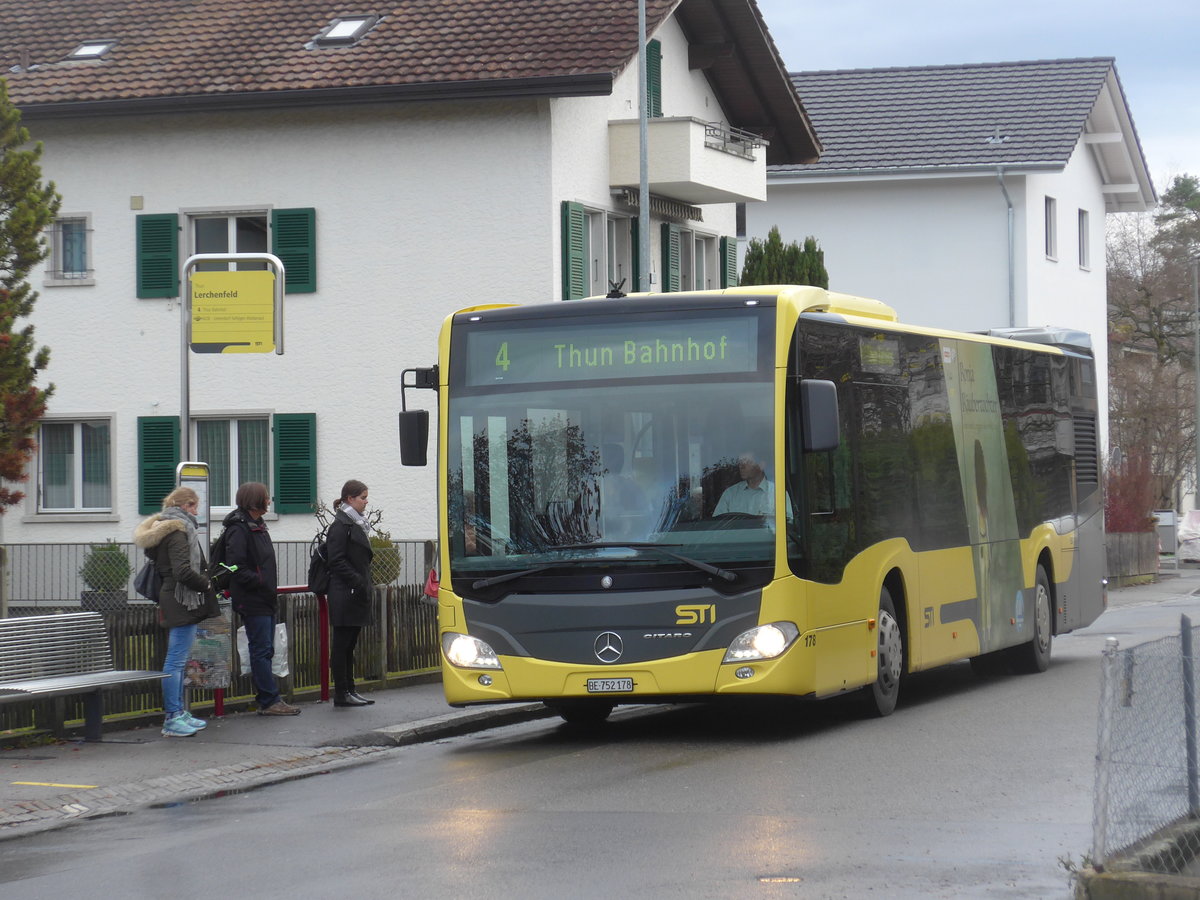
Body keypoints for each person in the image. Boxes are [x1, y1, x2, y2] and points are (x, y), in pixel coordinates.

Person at [133, 486, 220, 738]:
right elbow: (182, 571)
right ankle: (172, 717)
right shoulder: (178, 531)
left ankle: (179, 713)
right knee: (176, 661)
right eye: (194, 506)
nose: (197, 511)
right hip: (181, 599)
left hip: (174, 597)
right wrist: (205, 583)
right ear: (185, 506)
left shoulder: (164, 528)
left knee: (178, 660)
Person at [222, 482, 300, 716]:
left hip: (263, 596)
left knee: (265, 649)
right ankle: (269, 700)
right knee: (261, 649)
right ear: (255, 500)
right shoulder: (240, 528)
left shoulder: (257, 526)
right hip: (253, 598)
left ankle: (269, 698)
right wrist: (259, 582)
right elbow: (234, 565)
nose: (269, 501)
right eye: (266, 497)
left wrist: (265, 585)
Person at [326, 479, 375, 708]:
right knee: (342, 644)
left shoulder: (355, 523)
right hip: (345, 593)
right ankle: (342, 692)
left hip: (354, 592)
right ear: (349, 499)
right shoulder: (340, 526)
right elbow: (336, 560)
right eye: (362, 498)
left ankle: (350, 689)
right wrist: (357, 581)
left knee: (349, 645)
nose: (366, 502)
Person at [713, 450, 777, 517]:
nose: (742, 466)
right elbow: (717, 523)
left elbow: (787, 522)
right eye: (740, 462)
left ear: (761, 465)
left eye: (747, 462)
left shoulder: (776, 493)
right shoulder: (730, 493)